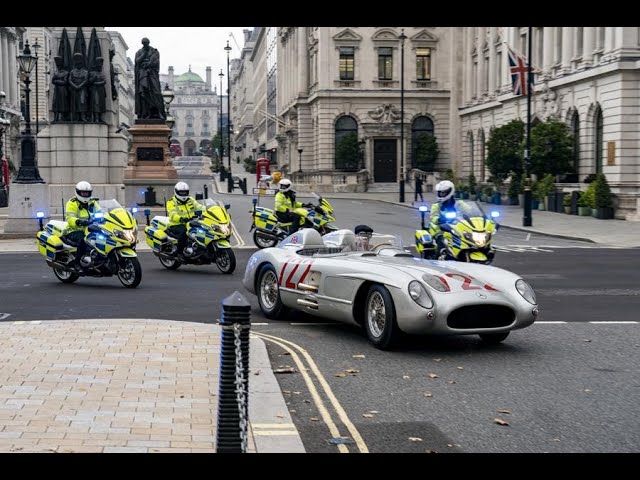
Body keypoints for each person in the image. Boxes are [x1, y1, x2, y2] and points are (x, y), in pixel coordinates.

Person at [64, 181, 102, 267]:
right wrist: (78, 221)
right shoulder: (72, 203)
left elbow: (100, 211)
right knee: (84, 240)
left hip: (90, 228)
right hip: (74, 230)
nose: (85, 195)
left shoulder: (92, 202)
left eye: (87, 193)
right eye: (83, 193)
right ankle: (77, 263)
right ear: (78, 192)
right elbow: (70, 218)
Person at [166, 182, 204, 256]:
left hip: (192, 222)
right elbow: (172, 214)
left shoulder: (190, 199)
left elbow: (199, 206)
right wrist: (181, 218)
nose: (183, 194)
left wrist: (210, 209)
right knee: (184, 232)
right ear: (176, 192)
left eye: (185, 192)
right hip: (177, 224)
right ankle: (179, 253)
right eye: (181, 192)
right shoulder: (171, 202)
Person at [134, 38, 166, 120]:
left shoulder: (154, 51)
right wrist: (143, 55)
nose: (145, 45)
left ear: (148, 43)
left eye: (146, 43)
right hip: (143, 75)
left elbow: (156, 62)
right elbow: (137, 62)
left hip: (152, 74)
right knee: (144, 93)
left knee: (156, 92)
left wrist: (148, 64)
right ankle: (146, 113)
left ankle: (159, 111)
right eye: (143, 43)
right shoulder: (139, 52)